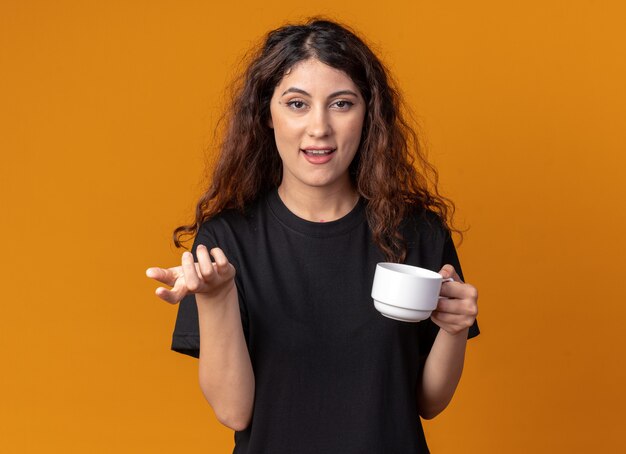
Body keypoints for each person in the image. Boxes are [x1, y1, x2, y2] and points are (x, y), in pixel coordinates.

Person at [146, 18, 479, 453]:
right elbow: (233, 411)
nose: (319, 127)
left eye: (341, 104)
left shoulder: (416, 232)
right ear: (266, 114)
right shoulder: (226, 239)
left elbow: (427, 402)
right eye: (297, 104)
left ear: (369, 115)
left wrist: (454, 330)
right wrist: (216, 297)